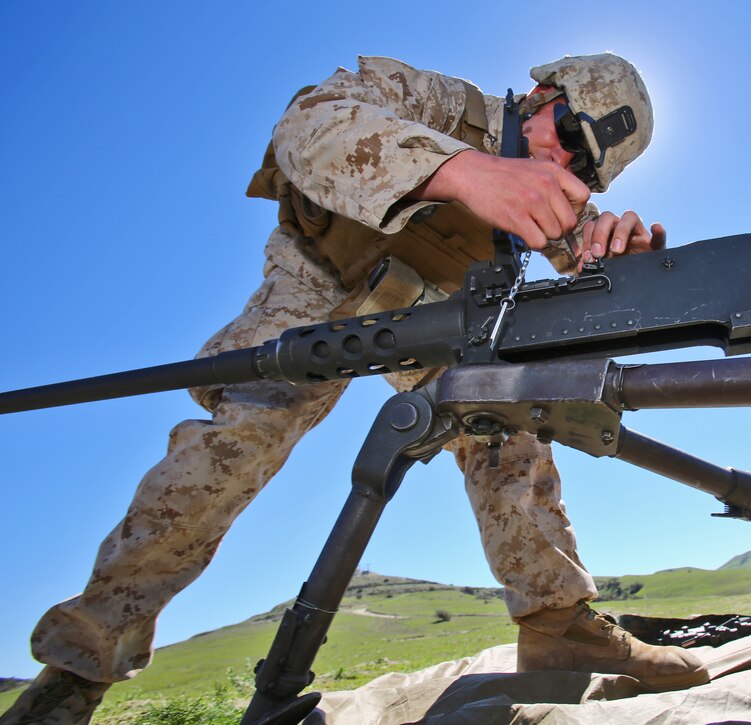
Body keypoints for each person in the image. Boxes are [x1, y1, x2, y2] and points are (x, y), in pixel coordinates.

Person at [1, 53, 709, 724]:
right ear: (544, 98)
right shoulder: (439, 104)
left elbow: (593, 272)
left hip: (430, 311)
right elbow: (308, 125)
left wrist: (625, 269)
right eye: (570, 140)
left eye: (587, 169)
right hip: (321, 283)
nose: (565, 167)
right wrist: (464, 172)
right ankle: (76, 669)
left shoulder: (559, 194)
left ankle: (559, 626)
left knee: (506, 425)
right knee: (231, 448)